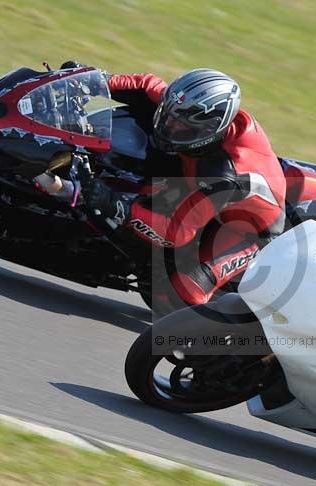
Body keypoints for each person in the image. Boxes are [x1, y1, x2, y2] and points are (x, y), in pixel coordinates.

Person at [76, 65, 286, 313]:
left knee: (183, 293)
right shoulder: (192, 110)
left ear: (210, 130)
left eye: (181, 128)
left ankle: (220, 338)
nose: (168, 128)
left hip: (246, 230)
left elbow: (178, 232)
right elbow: (147, 85)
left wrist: (117, 206)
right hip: (198, 188)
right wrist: (90, 80)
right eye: (168, 117)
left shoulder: (223, 175)